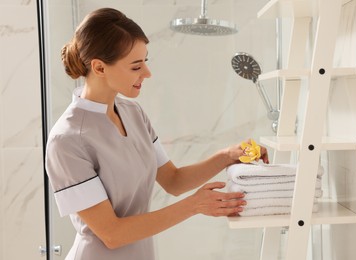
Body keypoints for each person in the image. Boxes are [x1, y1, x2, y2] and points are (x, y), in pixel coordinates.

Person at [45, 7, 269, 260]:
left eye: (145, 62)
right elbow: (112, 234)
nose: (147, 74)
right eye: (135, 66)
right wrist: (194, 205)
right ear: (99, 68)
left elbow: (173, 180)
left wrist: (228, 156)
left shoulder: (133, 112)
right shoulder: (68, 139)